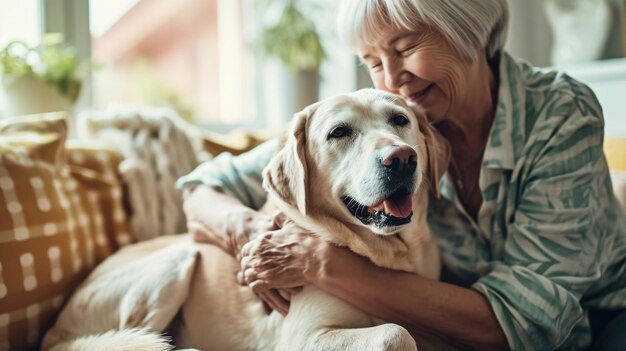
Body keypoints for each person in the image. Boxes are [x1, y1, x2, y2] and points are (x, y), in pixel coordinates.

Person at [177, 0, 626, 349]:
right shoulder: (382, 125)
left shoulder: (559, 113)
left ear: (473, 31)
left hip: (600, 320)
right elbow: (203, 186)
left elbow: (529, 324)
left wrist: (322, 264)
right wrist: (254, 232)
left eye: (406, 47)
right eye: (372, 61)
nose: (392, 79)